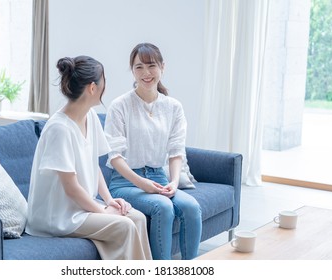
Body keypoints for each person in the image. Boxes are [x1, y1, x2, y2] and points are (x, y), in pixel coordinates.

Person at [26, 55, 152, 260]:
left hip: (80, 208)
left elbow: (94, 166)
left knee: (137, 218)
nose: (105, 86)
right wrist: (103, 211)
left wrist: (110, 201)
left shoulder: (89, 116)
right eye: (103, 81)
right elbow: (71, 187)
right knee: (126, 225)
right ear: (92, 88)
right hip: (57, 216)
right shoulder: (60, 128)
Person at [104, 43, 202, 260]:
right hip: (125, 182)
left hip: (159, 176)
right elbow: (115, 156)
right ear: (132, 70)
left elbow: (176, 151)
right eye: (139, 67)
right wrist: (142, 183)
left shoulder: (173, 107)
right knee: (163, 208)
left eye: (151, 66)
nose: (146, 73)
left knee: (191, 207)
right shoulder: (119, 105)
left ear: (162, 67)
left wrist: (174, 182)